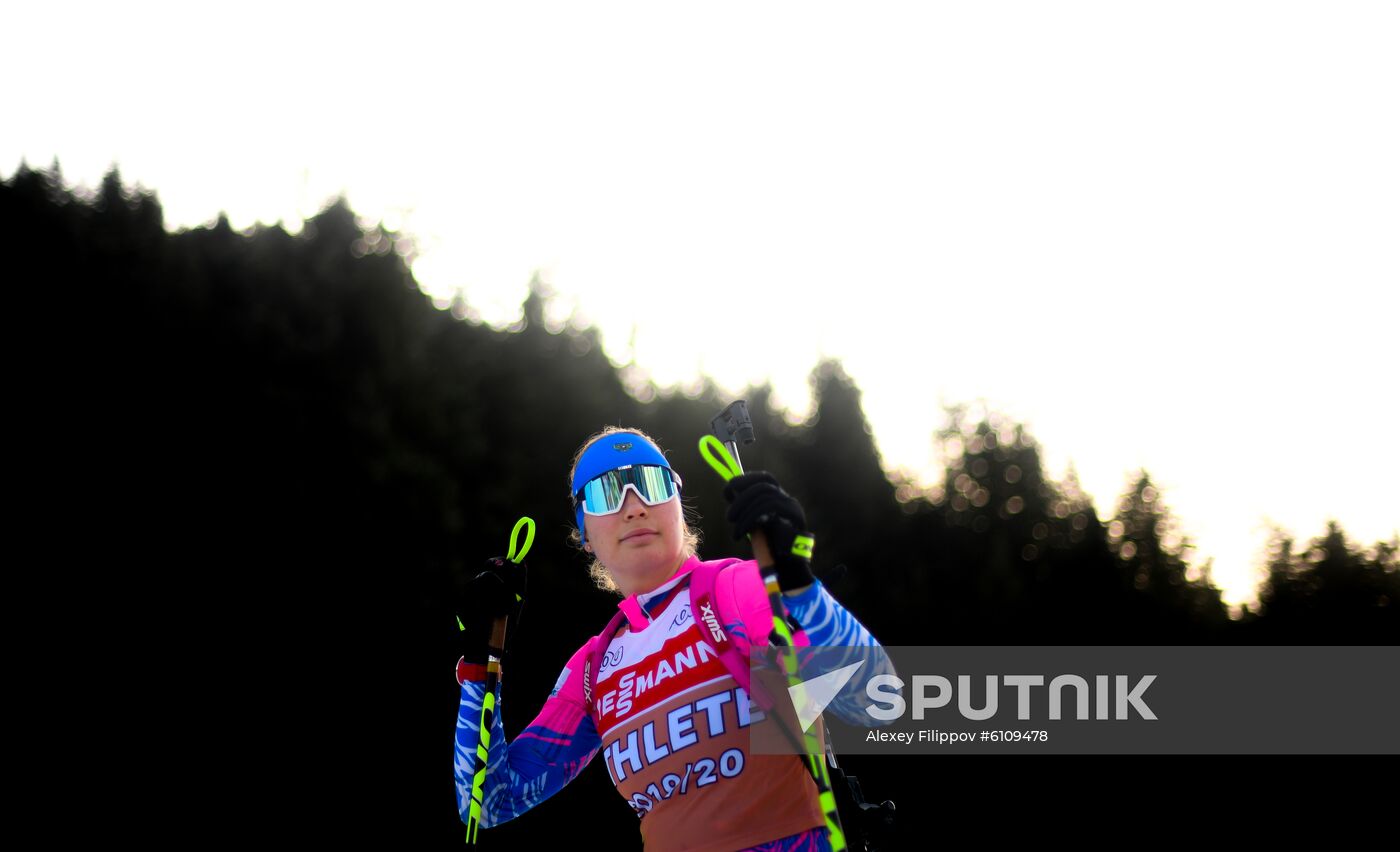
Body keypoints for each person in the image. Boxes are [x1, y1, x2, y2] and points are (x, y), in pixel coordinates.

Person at [454, 426, 890, 851]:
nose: (634, 507)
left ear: (678, 505)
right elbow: (494, 801)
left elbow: (878, 699)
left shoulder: (734, 590)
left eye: (651, 484)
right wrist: (480, 666)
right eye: (609, 493)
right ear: (584, 533)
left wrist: (803, 592)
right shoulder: (594, 667)